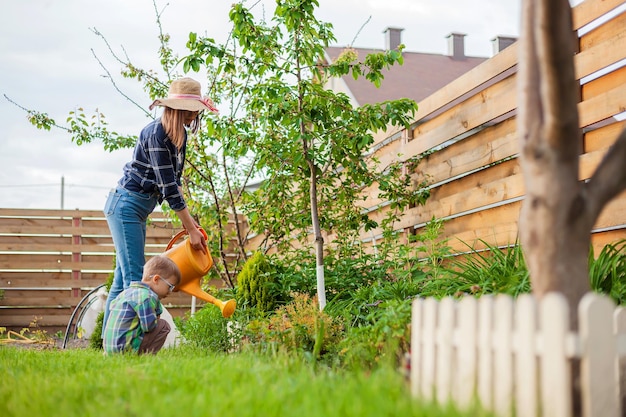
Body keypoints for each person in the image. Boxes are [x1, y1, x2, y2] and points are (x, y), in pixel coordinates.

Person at [102, 77, 218, 333]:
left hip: (137, 209)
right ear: (178, 109)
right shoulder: (156, 133)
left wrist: (193, 224)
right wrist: (189, 229)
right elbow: (167, 188)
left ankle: (109, 342)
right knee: (135, 280)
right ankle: (128, 342)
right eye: (190, 112)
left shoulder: (180, 136)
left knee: (122, 279)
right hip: (125, 206)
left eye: (195, 112)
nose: (193, 117)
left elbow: (175, 184)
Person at [103, 255, 182, 354]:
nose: (170, 292)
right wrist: (156, 315)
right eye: (170, 286)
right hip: (125, 350)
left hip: (110, 349)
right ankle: (146, 356)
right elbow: (148, 327)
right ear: (156, 279)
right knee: (163, 326)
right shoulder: (147, 297)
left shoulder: (126, 293)